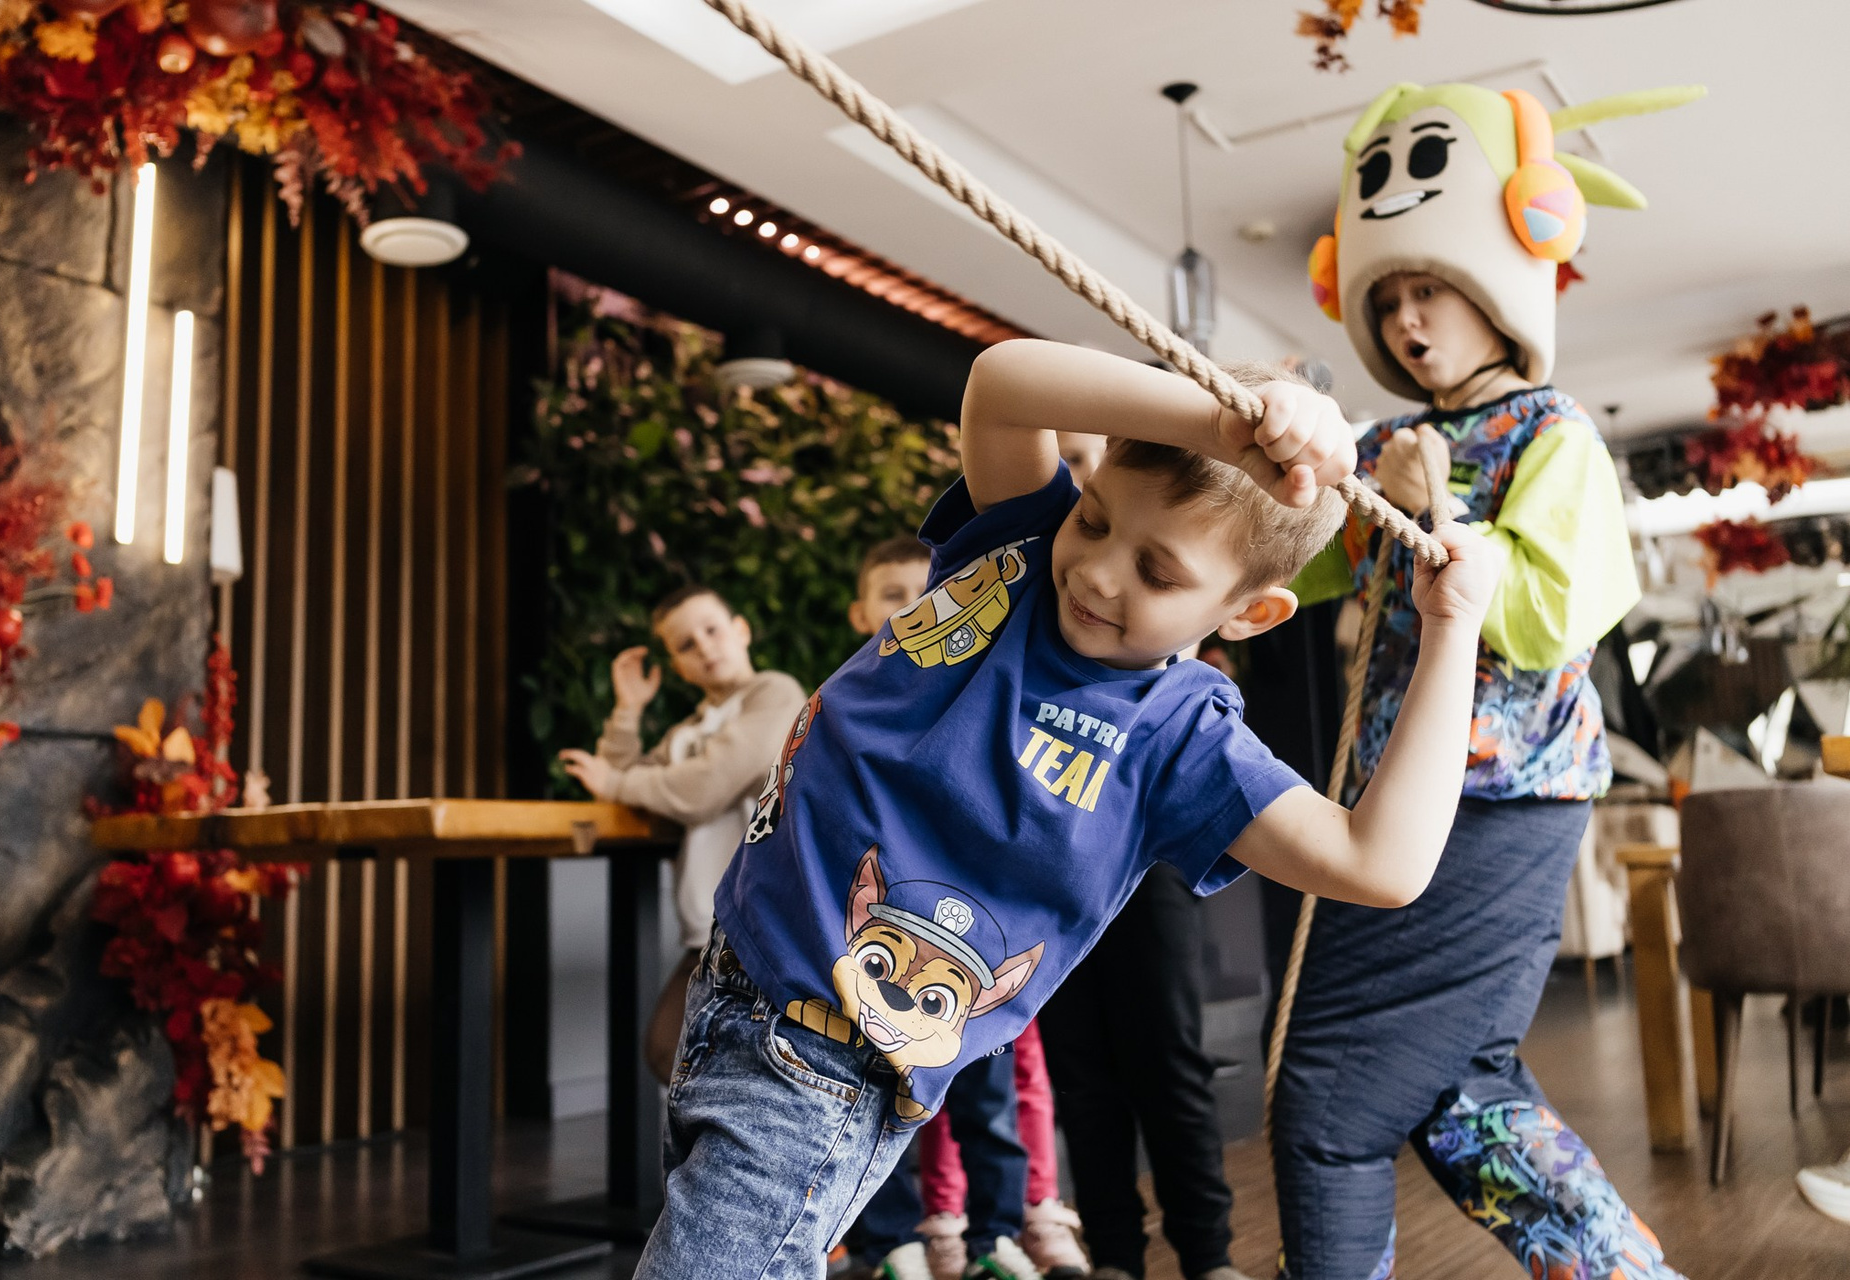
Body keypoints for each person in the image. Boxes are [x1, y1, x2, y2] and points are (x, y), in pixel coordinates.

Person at [634, 337, 1503, 1280]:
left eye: (1158, 573)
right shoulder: (1014, 552)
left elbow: (1381, 863)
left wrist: (1452, 628)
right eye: (1094, 520)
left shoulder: (1180, 735)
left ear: (1247, 614)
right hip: (733, 982)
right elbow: (1000, 384)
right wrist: (1215, 423)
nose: (1097, 571)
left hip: (824, 1063)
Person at [1274, 79, 1701, 1280]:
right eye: (1389, 299)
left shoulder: (1554, 432)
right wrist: (1278, 460)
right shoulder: (1381, 446)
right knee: (1461, 1095)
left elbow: (1548, 615)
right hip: (1398, 800)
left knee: (1329, 1099)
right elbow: (1294, 566)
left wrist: (1438, 504)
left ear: (1494, 287)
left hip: (1499, 799)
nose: (1408, 319)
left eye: (1429, 289)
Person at [1035, 433, 1254, 1280]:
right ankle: (1115, 1257)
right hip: (1056, 854)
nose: (1075, 469)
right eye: (1067, 457)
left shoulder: (1159, 547)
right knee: (1079, 1068)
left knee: (1165, 1057)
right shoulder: (1062, 552)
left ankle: (1208, 1256)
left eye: (1086, 452)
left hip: (1145, 849)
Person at [840, 535, 1040, 1280]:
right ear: (861, 612)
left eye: (929, 590)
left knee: (988, 1101)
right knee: (878, 1093)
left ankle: (997, 1236)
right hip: (887, 946)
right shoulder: (857, 700)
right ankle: (892, 1242)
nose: (914, 605)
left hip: (980, 942)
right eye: (892, 594)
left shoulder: (994, 687)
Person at [558, 583, 806, 1083]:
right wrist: (627, 710)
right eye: (687, 644)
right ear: (678, 667)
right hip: (713, 928)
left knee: (690, 1053)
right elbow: (621, 795)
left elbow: (702, 787)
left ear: (741, 630)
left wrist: (618, 781)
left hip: (764, 921)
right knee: (676, 1053)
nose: (705, 647)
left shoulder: (775, 693)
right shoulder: (687, 732)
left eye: (712, 630)